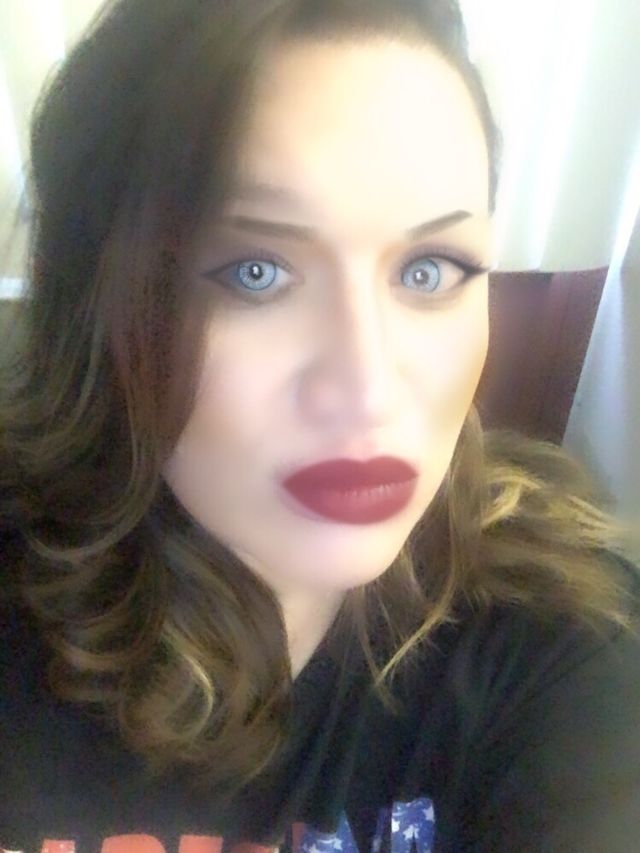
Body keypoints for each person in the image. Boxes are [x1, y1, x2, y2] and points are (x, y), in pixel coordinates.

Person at [1, 0, 639, 850]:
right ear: (90, 302)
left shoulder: (560, 643)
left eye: (430, 268)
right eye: (255, 272)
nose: (369, 388)